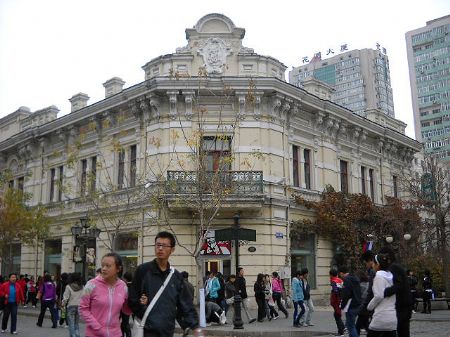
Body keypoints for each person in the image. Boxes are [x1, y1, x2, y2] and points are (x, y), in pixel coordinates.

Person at [128, 231, 201, 337]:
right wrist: (142, 309)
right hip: (146, 331)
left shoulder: (176, 277)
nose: (160, 248)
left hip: (167, 331)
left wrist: (194, 326)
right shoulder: (143, 271)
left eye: (164, 245)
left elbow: (185, 304)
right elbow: (132, 298)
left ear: (172, 249)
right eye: (158, 245)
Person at [79, 252, 131, 337]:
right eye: (102, 265)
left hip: (116, 334)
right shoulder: (91, 285)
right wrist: (98, 328)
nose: (103, 269)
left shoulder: (123, 286)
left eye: (108, 266)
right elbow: (83, 309)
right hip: (94, 334)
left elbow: (126, 310)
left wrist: (137, 302)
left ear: (118, 269)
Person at [367, 253, 397, 337]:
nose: (372, 265)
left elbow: (379, 295)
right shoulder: (392, 276)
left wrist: (369, 306)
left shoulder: (379, 276)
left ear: (378, 264)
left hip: (381, 316)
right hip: (392, 317)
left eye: (373, 263)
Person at [339, 265, 361, 337]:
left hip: (350, 305)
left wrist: (342, 305)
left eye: (340, 274)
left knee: (350, 326)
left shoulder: (347, 280)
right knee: (352, 325)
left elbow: (346, 294)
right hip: (357, 304)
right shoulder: (355, 278)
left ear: (342, 273)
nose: (340, 276)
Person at [62, 272, 83, 337]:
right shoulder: (82, 286)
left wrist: (63, 304)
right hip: (79, 306)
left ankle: (73, 336)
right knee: (76, 324)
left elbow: (65, 298)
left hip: (71, 306)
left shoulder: (68, 286)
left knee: (71, 324)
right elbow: (84, 297)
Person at [329, 268, 345, 337]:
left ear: (331, 275)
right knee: (337, 314)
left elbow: (335, 291)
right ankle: (342, 328)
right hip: (341, 300)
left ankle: (341, 332)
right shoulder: (340, 280)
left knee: (337, 315)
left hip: (336, 301)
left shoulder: (333, 281)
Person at [356, 269, 370, 335]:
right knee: (366, 325)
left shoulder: (361, 285)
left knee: (357, 326)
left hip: (363, 307)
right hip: (367, 306)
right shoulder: (368, 283)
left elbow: (360, 296)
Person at [121, 272, 133, 337]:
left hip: (125, 307)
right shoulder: (134, 285)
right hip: (130, 307)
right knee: (124, 323)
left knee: (125, 323)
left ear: (125, 279)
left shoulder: (125, 286)